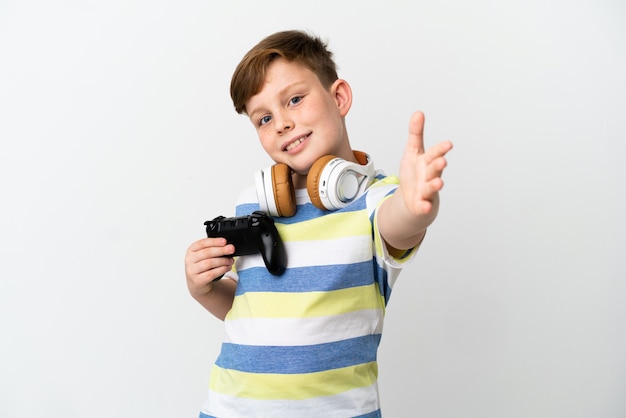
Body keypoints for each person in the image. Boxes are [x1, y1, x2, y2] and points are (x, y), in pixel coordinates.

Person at [184, 29, 453, 418]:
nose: (281, 123)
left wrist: (416, 204)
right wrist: (204, 289)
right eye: (263, 118)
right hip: (231, 407)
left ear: (338, 97)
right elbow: (250, 309)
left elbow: (402, 222)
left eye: (294, 99)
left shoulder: (374, 201)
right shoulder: (256, 204)